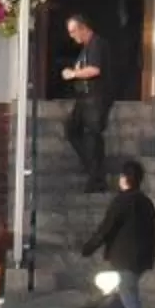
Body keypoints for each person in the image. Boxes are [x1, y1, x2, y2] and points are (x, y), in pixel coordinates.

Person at [84, 158, 155, 308]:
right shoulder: (146, 202)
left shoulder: (121, 201)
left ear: (125, 178)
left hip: (124, 257)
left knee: (129, 296)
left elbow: (106, 228)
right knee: (129, 294)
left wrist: (90, 246)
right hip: (142, 258)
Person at [60, 15, 109, 192]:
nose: (72, 36)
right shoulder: (85, 49)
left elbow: (95, 69)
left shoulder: (96, 44)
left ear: (83, 28)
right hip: (83, 98)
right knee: (71, 129)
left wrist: (73, 74)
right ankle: (91, 167)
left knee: (93, 136)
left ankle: (97, 178)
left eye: (74, 31)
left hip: (95, 98)